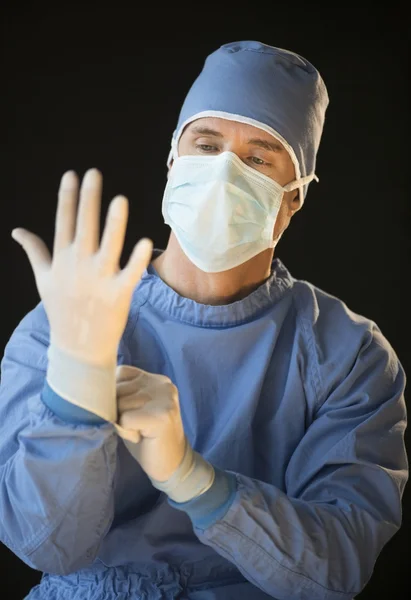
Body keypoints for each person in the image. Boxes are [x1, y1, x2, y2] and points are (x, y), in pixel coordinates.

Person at [0, 40, 407, 600]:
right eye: (207, 144)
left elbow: (336, 569)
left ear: (294, 198)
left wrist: (195, 481)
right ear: (173, 160)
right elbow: (44, 546)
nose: (224, 174)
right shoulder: (67, 323)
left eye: (259, 158)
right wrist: (73, 398)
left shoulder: (347, 354)